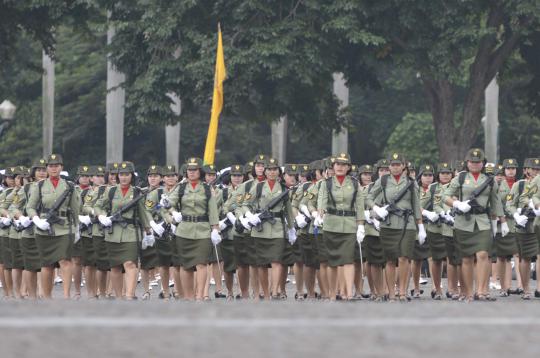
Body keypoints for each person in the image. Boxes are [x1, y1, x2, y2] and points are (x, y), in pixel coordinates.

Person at [443, 148, 507, 302]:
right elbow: (445, 196)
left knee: (483, 255)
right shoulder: (460, 178)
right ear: (467, 162)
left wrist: (502, 222)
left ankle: (481, 290)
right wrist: (457, 203)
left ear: (483, 163)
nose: (475, 164)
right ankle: (468, 291)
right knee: (466, 259)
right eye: (472, 161)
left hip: (483, 221)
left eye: (478, 162)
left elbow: (495, 203)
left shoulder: (489, 180)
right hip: (464, 222)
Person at [367, 152, 425, 301]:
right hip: (389, 223)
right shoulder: (383, 181)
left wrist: (421, 226)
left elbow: (416, 205)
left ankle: (402, 292)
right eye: (392, 165)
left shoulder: (411, 182)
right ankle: (391, 293)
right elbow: (369, 197)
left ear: (404, 166)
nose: (395, 167)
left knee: (404, 257)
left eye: (398, 164)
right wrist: (376, 208)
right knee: (390, 259)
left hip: (407, 223)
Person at [161, 157, 220, 301]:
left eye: (194, 170)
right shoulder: (180, 188)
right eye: (189, 170)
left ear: (200, 171)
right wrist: (173, 212)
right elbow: (167, 202)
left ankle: (200, 295)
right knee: (185, 265)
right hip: (184, 230)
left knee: (201, 264)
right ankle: (188, 296)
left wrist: (215, 229)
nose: (192, 173)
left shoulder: (206, 188)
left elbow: (212, 210)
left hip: (203, 230)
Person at [94, 161, 154, 300]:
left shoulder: (137, 192)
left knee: (130, 264)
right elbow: (98, 205)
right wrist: (102, 216)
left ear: (131, 175)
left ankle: (129, 294)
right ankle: (119, 296)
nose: (124, 177)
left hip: (131, 232)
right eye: (121, 174)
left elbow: (143, 212)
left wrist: (148, 231)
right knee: (115, 267)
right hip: (113, 233)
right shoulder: (111, 191)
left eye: (127, 174)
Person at [26, 154, 81, 299]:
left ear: (61, 167)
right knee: (47, 264)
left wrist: (77, 228)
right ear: (47, 168)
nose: (53, 168)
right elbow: (30, 207)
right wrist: (37, 220)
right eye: (50, 166)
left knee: (65, 260)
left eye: (56, 165)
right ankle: (47, 296)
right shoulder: (40, 185)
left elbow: (75, 209)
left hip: (64, 228)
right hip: (44, 228)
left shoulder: (69, 186)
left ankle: (66, 295)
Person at [242, 157, 295, 300]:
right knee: (262, 264)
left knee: (277, 261)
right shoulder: (258, 187)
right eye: (269, 170)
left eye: (275, 169)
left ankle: (275, 291)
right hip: (261, 229)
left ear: (279, 172)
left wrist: (291, 229)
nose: (272, 172)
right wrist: (249, 215)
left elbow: (288, 210)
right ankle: (265, 293)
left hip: (277, 228)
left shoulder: (283, 188)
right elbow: (245, 203)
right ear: (264, 172)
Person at [317, 153, 365, 301]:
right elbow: (322, 201)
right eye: (337, 164)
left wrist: (361, 225)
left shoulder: (355, 183)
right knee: (332, 261)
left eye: (344, 165)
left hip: (349, 224)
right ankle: (332, 293)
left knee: (348, 260)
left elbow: (359, 205)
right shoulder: (327, 183)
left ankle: (348, 293)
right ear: (333, 166)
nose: (340, 167)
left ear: (348, 167)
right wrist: (320, 215)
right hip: (331, 224)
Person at [508, 157, 540, 300]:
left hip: (538, 223)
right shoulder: (519, 185)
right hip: (525, 224)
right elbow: (510, 204)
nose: (536, 172)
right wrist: (516, 215)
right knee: (525, 258)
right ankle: (526, 289)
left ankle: (539, 288)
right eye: (533, 169)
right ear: (526, 170)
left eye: (538, 169)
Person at [420, 164, 449, 300]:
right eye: (442, 173)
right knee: (436, 259)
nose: (445, 175)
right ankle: (436, 288)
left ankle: (454, 289)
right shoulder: (432, 188)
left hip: (452, 227)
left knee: (453, 259)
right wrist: (427, 213)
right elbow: (418, 204)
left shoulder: (457, 186)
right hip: (435, 228)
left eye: (448, 172)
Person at [217, 164, 245, 299]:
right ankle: (229, 292)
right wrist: (218, 224)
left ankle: (242, 291)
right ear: (230, 177)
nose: (237, 178)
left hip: (243, 232)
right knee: (228, 267)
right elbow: (214, 210)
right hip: (227, 233)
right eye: (234, 176)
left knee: (242, 264)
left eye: (239, 176)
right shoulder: (223, 192)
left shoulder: (248, 190)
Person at [493, 159, 519, 297]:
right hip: (501, 224)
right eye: (508, 168)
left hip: (517, 223)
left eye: (513, 168)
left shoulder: (520, 184)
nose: (510, 170)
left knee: (516, 256)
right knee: (502, 257)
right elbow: (495, 202)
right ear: (504, 170)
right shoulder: (497, 184)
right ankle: (504, 287)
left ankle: (517, 286)